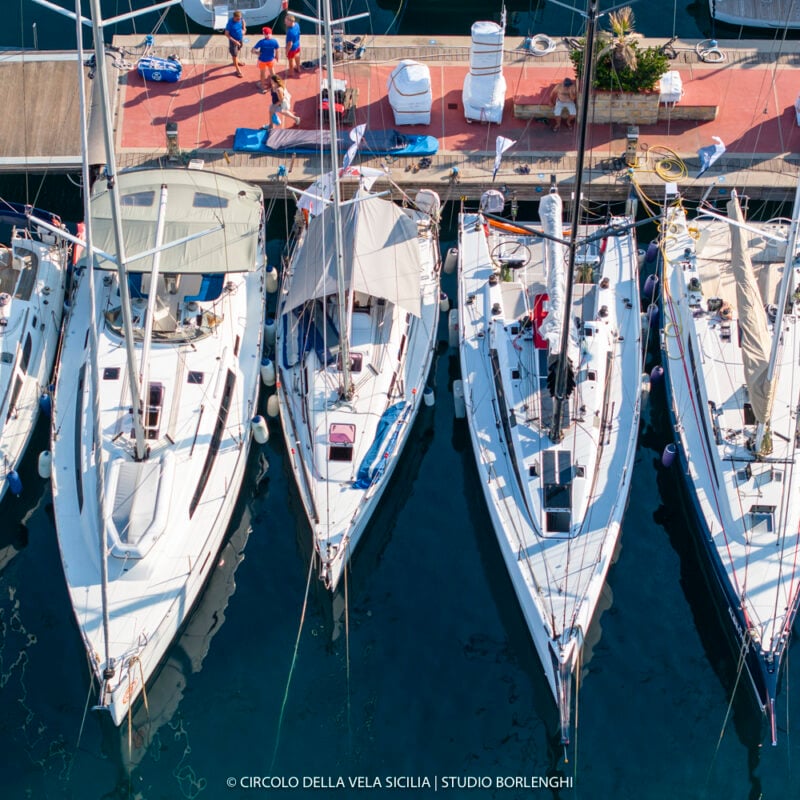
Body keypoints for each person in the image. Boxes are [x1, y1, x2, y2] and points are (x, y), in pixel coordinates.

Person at [252, 26, 280, 91]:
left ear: (264, 34)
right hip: (271, 60)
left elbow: (253, 50)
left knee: (262, 73)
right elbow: (277, 49)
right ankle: (274, 86)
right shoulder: (274, 41)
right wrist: (277, 57)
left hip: (262, 60)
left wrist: (257, 53)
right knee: (272, 73)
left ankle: (262, 87)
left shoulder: (261, 42)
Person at [225, 10, 246, 78]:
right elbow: (227, 34)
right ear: (234, 17)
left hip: (240, 39)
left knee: (238, 50)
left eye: (240, 18)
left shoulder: (240, 19)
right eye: (237, 19)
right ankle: (237, 69)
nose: (239, 20)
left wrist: (244, 29)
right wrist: (235, 41)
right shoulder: (230, 24)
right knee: (234, 55)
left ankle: (237, 61)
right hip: (233, 42)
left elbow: (243, 22)